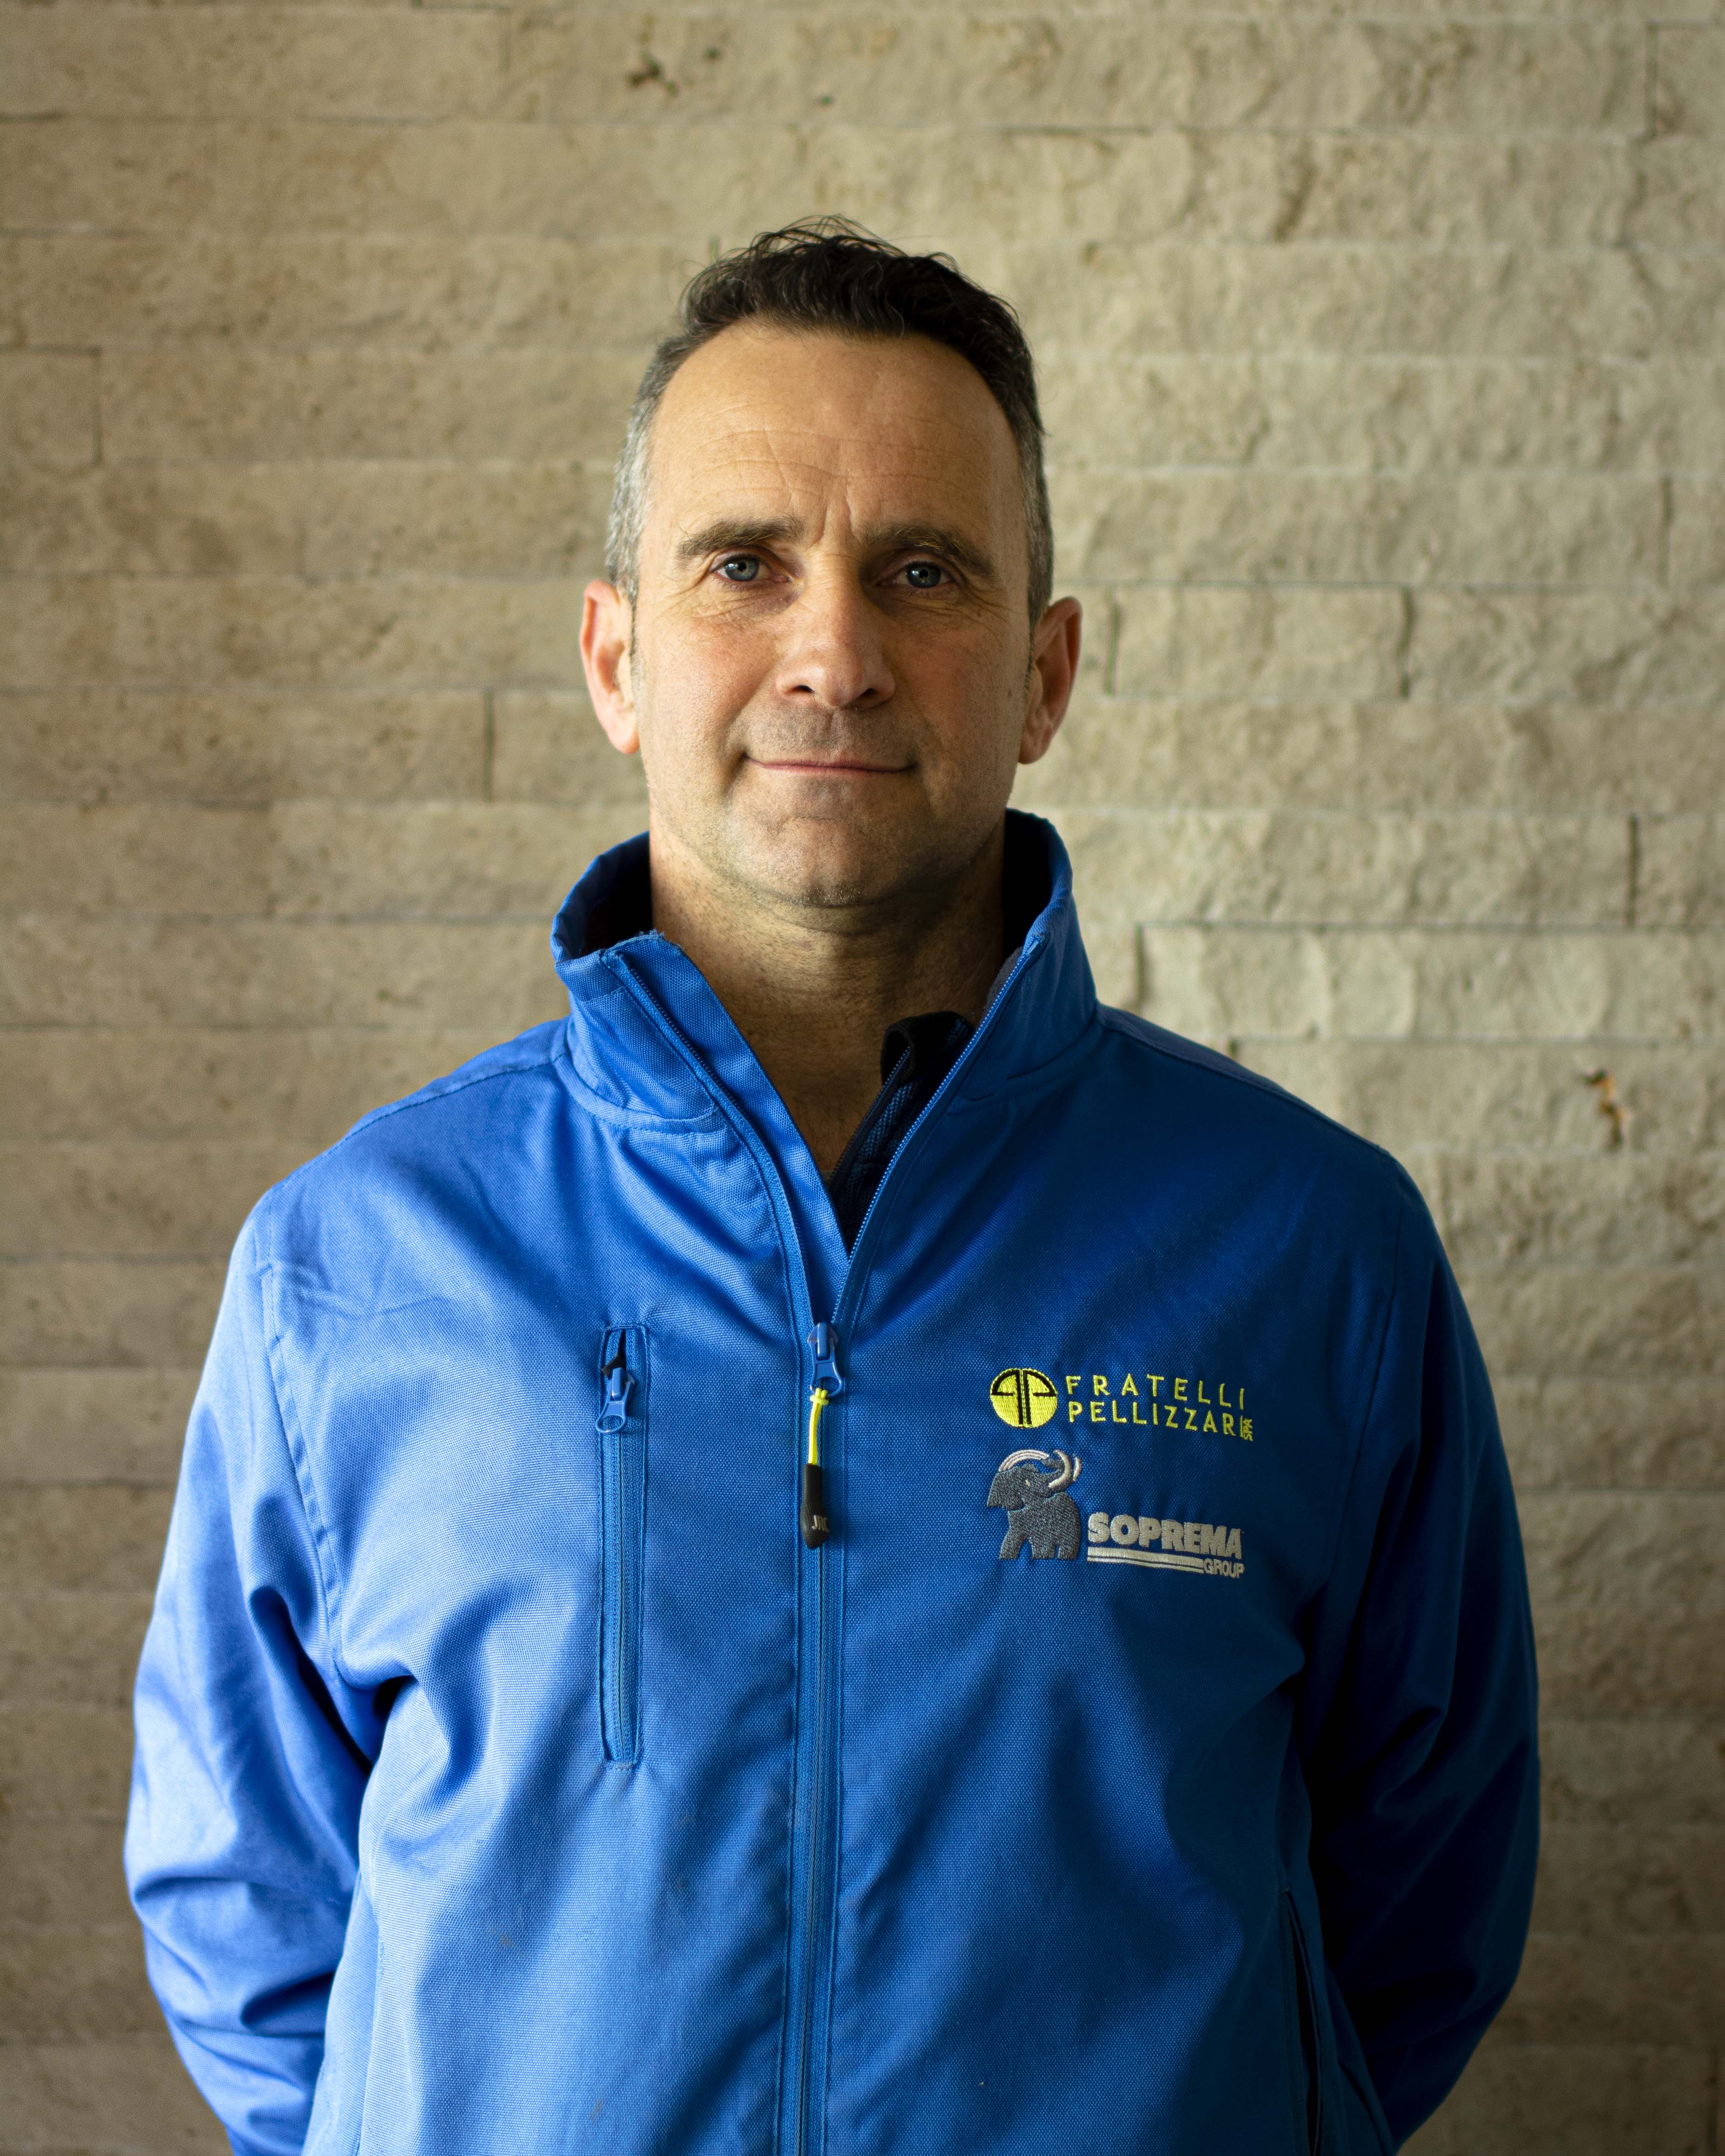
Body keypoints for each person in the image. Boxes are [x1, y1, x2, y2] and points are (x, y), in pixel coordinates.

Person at [126, 220, 1539, 2156]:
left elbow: (1418, 1908)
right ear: (617, 657)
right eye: (744, 565)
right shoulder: (355, 1264)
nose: (836, 657)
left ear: (1043, 673)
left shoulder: (1310, 1253)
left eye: (923, 572)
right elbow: (251, 1915)